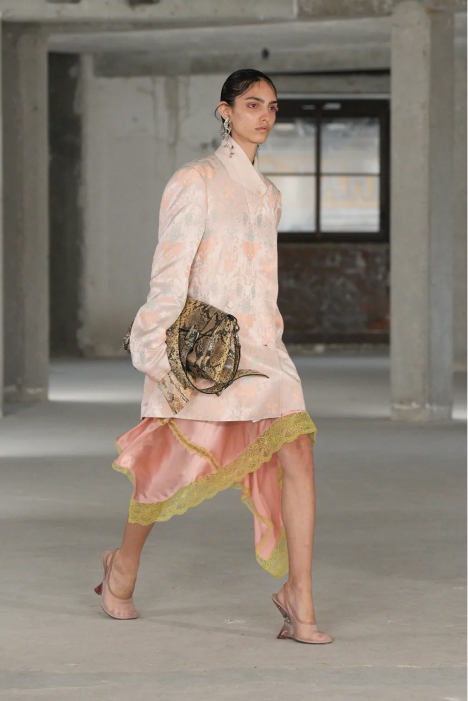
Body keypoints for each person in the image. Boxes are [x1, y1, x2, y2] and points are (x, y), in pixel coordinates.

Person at [94, 69, 333, 645]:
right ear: (225, 111)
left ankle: (299, 596)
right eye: (252, 104)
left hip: (264, 348)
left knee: (299, 449)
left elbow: (263, 282)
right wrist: (155, 351)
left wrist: (273, 338)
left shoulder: (269, 194)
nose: (265, 115)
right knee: (166, 465)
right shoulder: (194, 180)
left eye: (272, 107)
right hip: (206, 351)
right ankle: (123, 565)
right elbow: (169, 272)